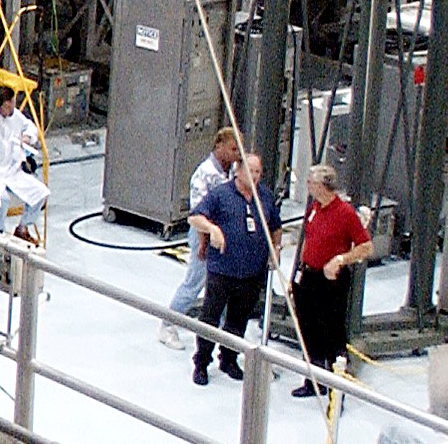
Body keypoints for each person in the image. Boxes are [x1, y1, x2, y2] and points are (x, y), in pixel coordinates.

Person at [190, 153, 284, 386]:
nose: (254, 176)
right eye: (250, 171)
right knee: (210, 317)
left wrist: (276, 249)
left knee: (238, 319)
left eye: (258, 172)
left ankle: (229, 358)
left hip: (252, 272)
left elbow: (276, 226)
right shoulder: (221, 195)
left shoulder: (265, 197)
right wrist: (212, 229)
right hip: (223, 270)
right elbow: (195, 217)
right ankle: (201, 362)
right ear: (238, 171)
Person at [288, 165, 374, 399]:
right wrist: (297, 272)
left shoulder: (345, 213)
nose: (308, 187)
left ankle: (338, 388)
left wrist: (341, 259)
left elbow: (366, 246)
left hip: (331, 281)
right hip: (308, 276)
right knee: (308, 329)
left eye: (311, 183)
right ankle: (314, 380)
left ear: (323, 186)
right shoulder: (314, 208)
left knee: (332, 332)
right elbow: (309, 239)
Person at [159, 126, 244, 348]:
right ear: (219, 146)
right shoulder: (205, 173)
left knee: (224, 284)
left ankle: (229, 334)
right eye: (233, 149)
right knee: (195, 282)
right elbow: (198, 214)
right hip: (204, 236)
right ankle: (168, 325)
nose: (237, 154)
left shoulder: (232, 172)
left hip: (224, 237)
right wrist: (203, 243)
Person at [0, 85, 49, 242]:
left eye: (13, 104)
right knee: (2, 199)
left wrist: (27, 137)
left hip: (11, 170)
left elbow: (30, 127)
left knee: (40, 193)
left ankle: (22, 228)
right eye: (8, 107)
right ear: (0, 105)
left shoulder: (15, 116)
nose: (12, 110)